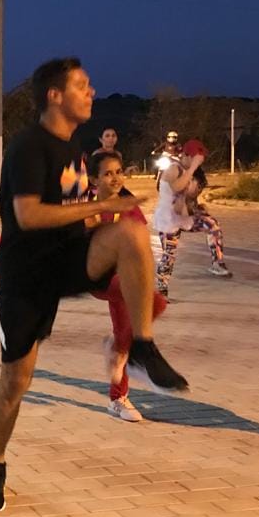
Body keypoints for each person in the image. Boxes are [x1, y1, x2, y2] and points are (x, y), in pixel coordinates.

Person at [0, 58, 188, 513]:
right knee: (16, 381)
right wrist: (98, 207)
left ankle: (142, 346)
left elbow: (75, 212)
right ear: (55, 95)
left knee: (131, 234)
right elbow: (29, 215)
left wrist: (104, 215)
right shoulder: (29, 146)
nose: (91, 92)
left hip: (68, 258)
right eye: (82, 85)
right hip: (27, 276)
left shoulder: (74, 148)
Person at [88, 152, 169, 422]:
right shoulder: (86, 207)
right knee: (150, 303)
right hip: (96, 277)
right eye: (108, 173)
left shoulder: (129, 207)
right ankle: (118, 348)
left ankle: (118, 398)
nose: (115, 178)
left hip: (125, 279)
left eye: (119, 172)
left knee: (142, 315)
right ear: (93, 179)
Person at [155, 139, 231, 297]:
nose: (200, 163)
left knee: (212, 224)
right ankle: (161, 291)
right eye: (197, 159)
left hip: (184, 217)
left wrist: (198, 208)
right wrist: (193, 167)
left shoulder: (189, 172)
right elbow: (177, 187)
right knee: (169, 255)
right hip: (168, 220)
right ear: (188, 156)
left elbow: (188, 199)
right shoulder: (173, 168)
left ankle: (217, 263)